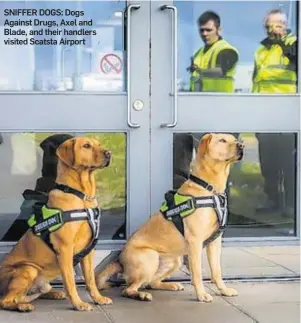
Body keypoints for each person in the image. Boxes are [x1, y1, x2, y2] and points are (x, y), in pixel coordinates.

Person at [253, 9, 297, 216]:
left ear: (286, 26)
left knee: (287, 163)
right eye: (270, 25)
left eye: (278, 25)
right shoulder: (261, 50)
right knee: (268, 162)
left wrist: (281, 42)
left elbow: (296, 62)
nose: (273, 29)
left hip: (287, 112)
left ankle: (290, 204)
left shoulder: (294, 43)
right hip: (264, 113)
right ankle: (272, 199)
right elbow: (256, 81)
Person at [188, 10, 239, 93]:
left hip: (221, 101)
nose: (204, 34)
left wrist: (200, 70)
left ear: (219, 30)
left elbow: (220, 71)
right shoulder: (198, 53)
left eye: (208, 30)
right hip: (198, 101)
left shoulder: (226, 50)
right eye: (202, 30)